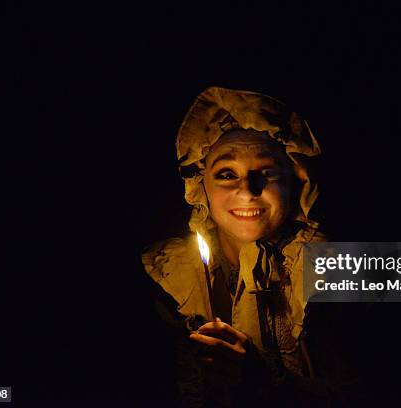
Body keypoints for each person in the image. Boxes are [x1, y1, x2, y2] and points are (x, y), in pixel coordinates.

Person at [142, 87, 361, 407]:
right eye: (227, 173)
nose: (247, 191)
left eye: (267, 172)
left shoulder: (341, 269)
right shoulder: (166, 275)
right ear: (201, 184)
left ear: (295, 181)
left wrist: (263, 385)